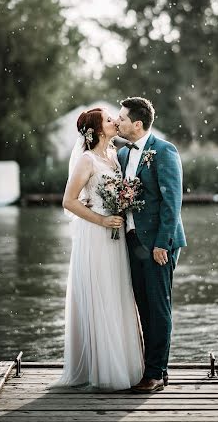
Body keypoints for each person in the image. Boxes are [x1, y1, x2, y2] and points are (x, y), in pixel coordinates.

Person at [52, 107, 144, 391]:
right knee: (100, 294)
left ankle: (122, 363)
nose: (115, 121)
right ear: (96, 130)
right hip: (95, 236)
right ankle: (103, 370)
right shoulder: (86, 160)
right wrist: (103, 220)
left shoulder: (115, 157)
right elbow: (69, 201)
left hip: (114, 238)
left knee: (116, 294)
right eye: (108, 120)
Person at [116, 97, 186, 393]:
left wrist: (162, 244)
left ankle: (155, 374)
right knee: (143, 307)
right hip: (132, 241)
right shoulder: (121, 155)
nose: (117, 122)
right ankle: (156, 367)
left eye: (121, 118)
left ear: (137, 124)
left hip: (158, 244)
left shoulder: (164, 151)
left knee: (159, 308)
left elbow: (172, 201)